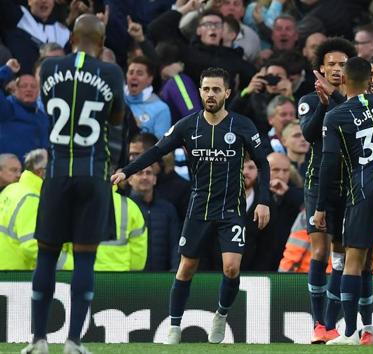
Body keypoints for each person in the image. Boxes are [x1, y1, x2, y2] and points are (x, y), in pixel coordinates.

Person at [110, 67, 270, 345]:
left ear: (227, 93)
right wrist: (127, 169)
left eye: (216, 89)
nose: (211, 94)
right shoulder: (188, 125)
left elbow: (264, 163)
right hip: (199, 208)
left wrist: (264, 201)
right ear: (200, 92)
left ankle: (220, 315)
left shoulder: (242, 125)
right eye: (206, 89)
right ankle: (174, 326)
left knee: (231, 269)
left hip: (231, 208)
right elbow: (157, 150)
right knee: (186, 268)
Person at [22, 14, 125, 354]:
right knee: (84, 260)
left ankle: (38, 341)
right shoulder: (111, 72)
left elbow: (48, 110)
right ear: (102, 39)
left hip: (57, 172)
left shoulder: (49, 68)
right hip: (93, 174)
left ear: (71, 37)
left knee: (47, 257)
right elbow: (116, 118)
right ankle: (74, 342)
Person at [312, 56, 373, 345]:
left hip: (362, 190)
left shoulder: (336, 116)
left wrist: (320, 207)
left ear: (343, 80)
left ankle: (351, 332)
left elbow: (328, 165)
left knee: (354, 261)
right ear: (370, 80)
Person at [297, 37, 356, 344]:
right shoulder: (308, 99)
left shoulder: (357, 104)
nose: (336, 69)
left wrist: (334, 99)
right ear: (320, 68)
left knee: (343, 255)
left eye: (342, 64)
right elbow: (308, 133)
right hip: (317, 182)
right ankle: (319, 323)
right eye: (330, 64)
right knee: (320, 250)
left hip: (349, 184)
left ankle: (333, 323)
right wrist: (323, 104)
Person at [0, 149, 47, 270]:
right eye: (13, 170)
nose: (18, 175)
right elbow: (31, 246)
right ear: (41, 171)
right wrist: (72, 265)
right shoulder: (30, 198)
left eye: (19, 170)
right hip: (15, 278)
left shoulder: (8, 191)